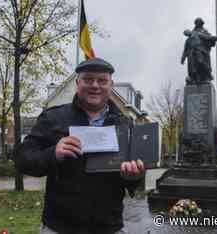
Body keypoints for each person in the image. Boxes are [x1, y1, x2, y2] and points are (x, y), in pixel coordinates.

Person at [16, 57, 145, 234]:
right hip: (59, 227)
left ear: (111, 85)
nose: (95, 85)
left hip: (109, 227)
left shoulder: (124, 124)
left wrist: (134, 177)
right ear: (78, 83)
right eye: (88, 79)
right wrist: (53, 153)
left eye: (102, 80)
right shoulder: (52, 117)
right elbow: (23, 159)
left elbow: (130, 180)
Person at [181, 18, 217, 84]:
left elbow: (208, 37)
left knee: (200, 61)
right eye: (186, 33)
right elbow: (185, 50)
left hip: (201, 51)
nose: (187, 33)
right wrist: (183, 58)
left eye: (187, 32)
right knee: (192, 68)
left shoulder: (197, 33)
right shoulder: (188, 40)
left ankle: (207, 74)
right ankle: (195, 78)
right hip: (191, 54)